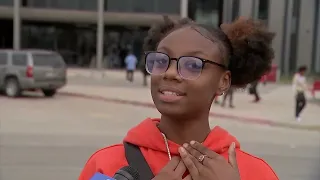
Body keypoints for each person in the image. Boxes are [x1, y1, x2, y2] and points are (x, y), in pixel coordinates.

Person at [79, 16, 278, 180]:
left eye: (192, 65)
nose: (170, 73)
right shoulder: (105, 165)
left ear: (223, 81)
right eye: (161, 60)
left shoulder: (255, 173)